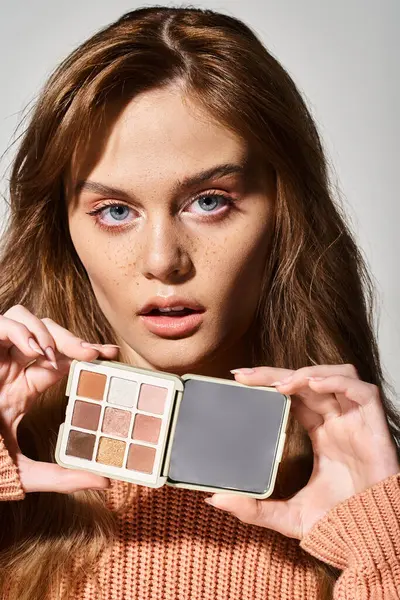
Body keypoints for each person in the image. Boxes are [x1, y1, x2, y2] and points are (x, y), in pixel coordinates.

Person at [0, 6, 399, 600]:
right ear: (64, 230)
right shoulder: (16, 486)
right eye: (115, 211)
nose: (164, 260)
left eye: (209, 201)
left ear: (284, 214)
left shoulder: (376, 514)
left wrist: (380, 550)